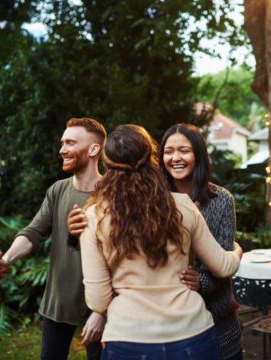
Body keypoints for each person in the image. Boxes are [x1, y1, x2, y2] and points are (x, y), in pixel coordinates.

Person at [79, 124, 243, 360]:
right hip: (192, 334)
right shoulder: (183, 205)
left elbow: (98, 299)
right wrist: (236, 252)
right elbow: (224, 267)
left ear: (107, 162)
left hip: (129, 339)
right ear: (153, 158)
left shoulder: (95, 216)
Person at [0, 117, 107, 360]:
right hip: (58, 301)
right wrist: (6, 259)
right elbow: (34, 232)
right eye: (62, 143)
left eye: (70, 143)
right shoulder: (57, 190)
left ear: (94, 148)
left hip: (103, 306)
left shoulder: (114, 191)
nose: (62, 150)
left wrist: (103, 310)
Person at [160, 123, 243, 360]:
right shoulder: (154, 200)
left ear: (198, 154)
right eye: (168, 151)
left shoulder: (221, 200)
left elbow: (224, 257)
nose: (175, 157)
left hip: (217, 319)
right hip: (170, 321)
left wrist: (202, 281)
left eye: (184, 150)